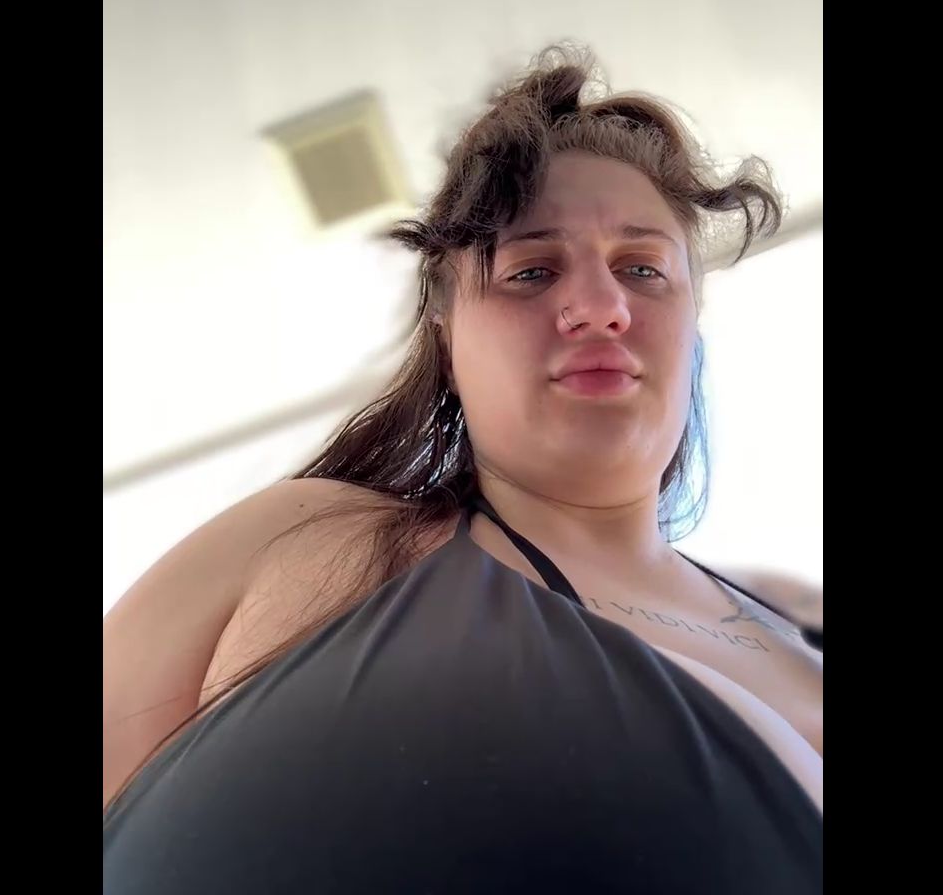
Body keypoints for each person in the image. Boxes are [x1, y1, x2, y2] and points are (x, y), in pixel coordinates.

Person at [103, 45, 822, 893]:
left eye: (642, 269)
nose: (602, 307)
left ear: (692, 319)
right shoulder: (303, 542)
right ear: (446, 331)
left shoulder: (798, 612)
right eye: (531, 272)